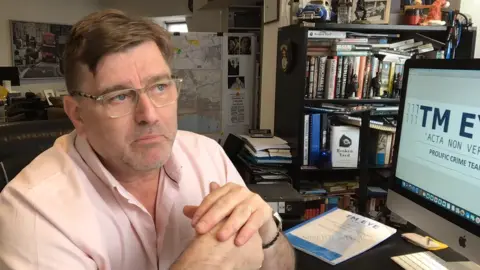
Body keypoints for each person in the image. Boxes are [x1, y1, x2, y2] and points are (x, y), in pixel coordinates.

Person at [0, 9, 295, 270]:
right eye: (119, 96)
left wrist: (267, 233)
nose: (150, 115)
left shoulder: (208, 155)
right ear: (78, 114)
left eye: (160, 87)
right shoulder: (32, 212)